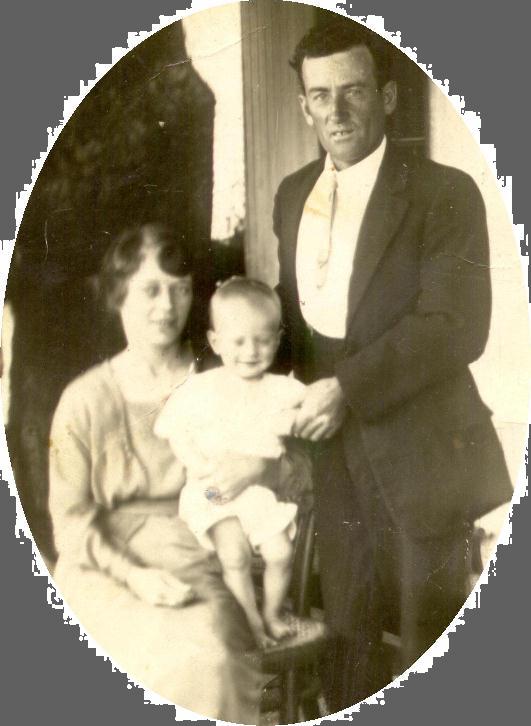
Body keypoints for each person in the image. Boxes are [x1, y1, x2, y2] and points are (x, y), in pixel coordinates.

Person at [273, 21, 513, 712]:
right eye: (320, 96)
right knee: (345, 641)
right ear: (303, 106)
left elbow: (455, 326)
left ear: (385, 97)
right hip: (330, 458)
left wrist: (345, 388)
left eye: (352, 92)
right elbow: (293, 331)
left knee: (426, 641)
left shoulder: (443, 191)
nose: (336, 112)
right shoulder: (291, 196)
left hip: (422, 456)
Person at [48, 224, 267, 722]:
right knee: (128, 656)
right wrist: (136, 577)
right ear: (118, 295)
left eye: (179, 289)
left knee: (209, 657)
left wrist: (253, 466)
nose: (166, 306)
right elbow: (69, 524)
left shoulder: (223, 382)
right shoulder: (82, 401)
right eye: (150, 289)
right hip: (103, 570)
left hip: (195, 554)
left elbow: (275, 464)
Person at [155, 277, 305, 648]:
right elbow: (173, 429)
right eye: (238, 341)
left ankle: (271, 612)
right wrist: (199, 466)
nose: (251, 351)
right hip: (212, 489)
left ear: (277, 339)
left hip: (258, 493)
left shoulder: (281, 390)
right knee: (234, 554)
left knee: (281, 553)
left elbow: (307, 422)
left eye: (263, 340)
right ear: (216, 341)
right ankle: (251, 622)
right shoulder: (201, 388)